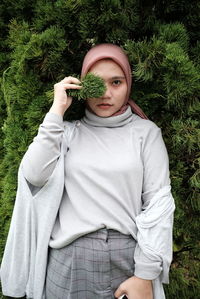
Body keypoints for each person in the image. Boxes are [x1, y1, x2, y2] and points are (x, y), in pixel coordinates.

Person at [1, 44, 175, 299]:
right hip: (68, 261)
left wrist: (145, 274)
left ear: (128, 84)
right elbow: (34, 175)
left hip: (128, 261)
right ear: (83, 85)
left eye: (116, 82)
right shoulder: (68, 132)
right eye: (95, 83)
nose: (106, 93)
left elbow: (158, 204)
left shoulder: (146, 134)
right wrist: (57, 110)